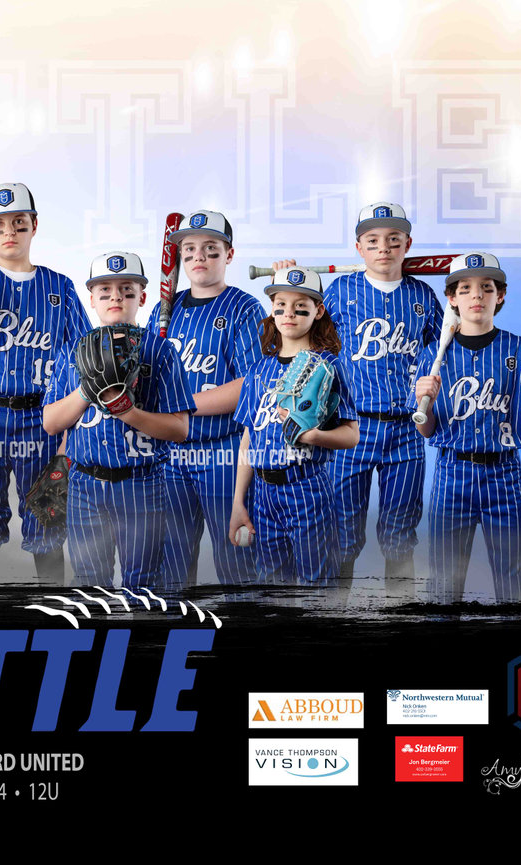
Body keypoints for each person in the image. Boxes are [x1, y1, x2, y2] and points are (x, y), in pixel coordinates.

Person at [275, 201, 442, 602]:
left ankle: (399, 620)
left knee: (400, 535)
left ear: (407, 244)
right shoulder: (339, 292)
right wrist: (292, 285)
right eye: (373, 240)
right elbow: (300, 331)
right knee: (344, 534)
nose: (383, 247)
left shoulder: (422, 295)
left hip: (405, 428)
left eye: (393, 239)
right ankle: (336, 619)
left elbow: (446, 347)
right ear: (359, 248)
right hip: (350, 427)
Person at [411, 253, 521, 603]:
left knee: (515, 577)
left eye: (486, 288)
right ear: (452, 298)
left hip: (503, 474)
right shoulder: (433, 353)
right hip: (451, 471)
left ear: (499, 296)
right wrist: (422, 401)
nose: (476, 295)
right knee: (444, 578)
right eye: (466, 288)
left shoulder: (520, 350)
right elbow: (427, 430)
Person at [0, 182, 93, 585]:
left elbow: (82, 357)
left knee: (46, 519)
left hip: (41, 418)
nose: (8, 232)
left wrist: (70, 432)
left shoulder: (60, 286)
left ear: (34, 225)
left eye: (18, 222)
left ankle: (51, 618)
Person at [42, 252, 194, 590]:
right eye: (105, 291)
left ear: (142, 297)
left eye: (126, 290)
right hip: (85, 484)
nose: (115, 297)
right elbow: (51, 423)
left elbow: (180, 430)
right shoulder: (75, 351)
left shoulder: (160, 351)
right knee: (88, 583)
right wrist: (86, 390)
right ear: (92, 299)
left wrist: (129, 412)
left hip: (141, 482)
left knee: (143, 584)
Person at [147, 210, 264, 588]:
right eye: (191, 249)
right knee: (170, 561)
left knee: (236, 558)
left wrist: (182, 402)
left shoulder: (244, 309)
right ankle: (177, 638)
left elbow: (253, 383)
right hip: (168, 456)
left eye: (211, 249)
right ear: (180, 255)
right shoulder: (165, 310)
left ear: (229, 255)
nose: (199, 257)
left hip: (223, 453)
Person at [229, 267, 359, 585]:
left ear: (318, 311)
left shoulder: (330, 365)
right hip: (262, 492)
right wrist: (237, 502)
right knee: (271, 583)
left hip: (306, 487)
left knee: (317, 583)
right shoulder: (260, 369)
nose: (289, 313)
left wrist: (314, 435)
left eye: (301, 306)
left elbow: (352, 434)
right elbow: (249, 437)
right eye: (280, 304)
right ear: (272, 310)